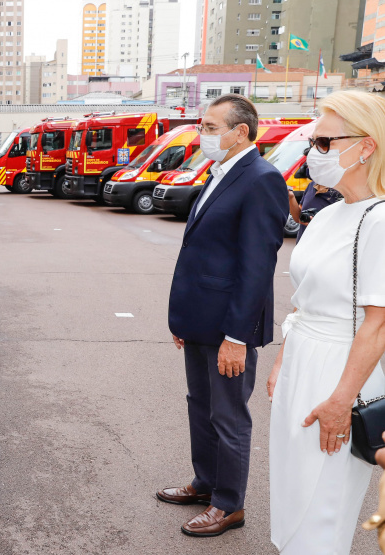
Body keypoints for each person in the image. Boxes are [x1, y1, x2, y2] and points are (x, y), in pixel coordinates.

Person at [160, 94, 289, 537]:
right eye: (203, 126)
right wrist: (184, 322)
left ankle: (229, 504)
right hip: (201, 320)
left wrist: (237, 335)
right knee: (200, 407)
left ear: (241, 133)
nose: (203, 134)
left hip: (229, 327)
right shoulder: (220, 173)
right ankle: (206, 483)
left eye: (212, 128)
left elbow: (257, 266)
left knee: (229, 417)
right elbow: (202, 254)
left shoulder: (261, 179)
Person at [267, 90, 385, 554]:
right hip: (303, 363)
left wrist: (341, 399)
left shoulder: (379, 220)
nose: (313, 155)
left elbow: (378, 324)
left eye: (323, 143)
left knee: (323, 504)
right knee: (293, 491)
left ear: (367, 146)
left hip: (342, 371)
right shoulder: (330, 214)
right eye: (311, 144)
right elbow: (303, 302)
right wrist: (283, 361)